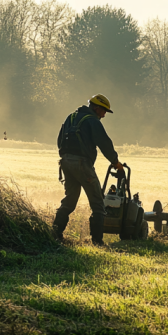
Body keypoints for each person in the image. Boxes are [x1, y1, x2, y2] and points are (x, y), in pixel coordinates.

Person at [53, 93, 124, 246]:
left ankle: (55, 234)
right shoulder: (92, 121)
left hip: (65, 161)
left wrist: (67, 158)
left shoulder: (71, 117)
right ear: (96, 108)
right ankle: (97, 241)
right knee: (98, 202)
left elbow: (59, 140)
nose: (104, 115)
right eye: (104, 111)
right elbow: (105, 144)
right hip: (81, 164)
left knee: (69, 201)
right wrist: (116, 163)